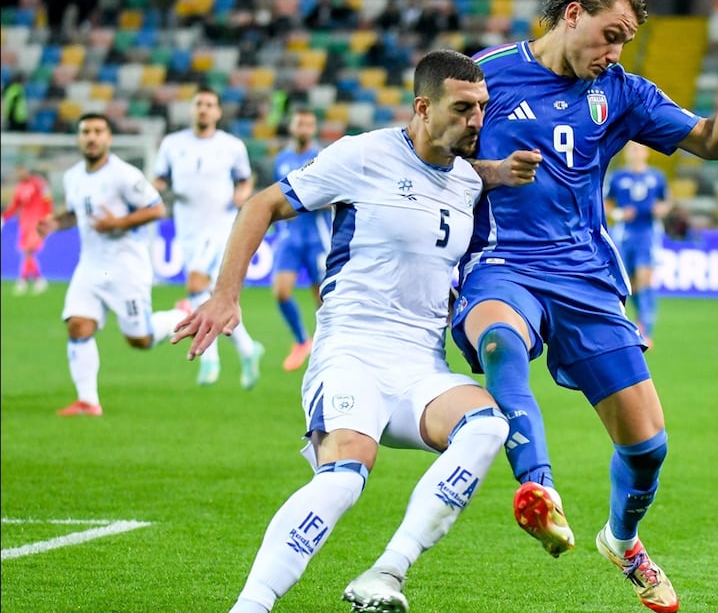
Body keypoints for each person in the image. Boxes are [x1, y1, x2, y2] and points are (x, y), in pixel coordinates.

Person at [451, 0, 718, 613]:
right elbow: (428, 153)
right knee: (500, 343)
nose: (615, 53)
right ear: (572, 15)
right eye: (610, 36)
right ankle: (537, 490)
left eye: (626, 41)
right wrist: (488, 174)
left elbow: (710, 143)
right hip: (502, 263)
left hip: (585, 276)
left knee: (648, 447)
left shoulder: (622, 92)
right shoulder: (484, 79)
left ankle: (623, 541)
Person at [171, 48, 536, 613]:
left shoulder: (466, 179)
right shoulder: (362, 156)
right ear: (422, 107)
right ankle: (251, 605)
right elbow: (262, 205)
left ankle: (387, 572)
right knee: (344, 478)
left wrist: (500, 171)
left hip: (420, 366)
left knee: (487, 427)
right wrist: (225, 295)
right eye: (463, 108)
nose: (477, 121)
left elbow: (462, 175)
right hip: (351, 353)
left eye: (482, 108)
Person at [36, 113, 189, 416]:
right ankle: (88, 402)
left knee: (139, 339)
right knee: (78, 324)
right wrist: (56, 222)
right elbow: (77, 214)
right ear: (79, 138)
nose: (91, 137)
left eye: (97, 131)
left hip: (125, 267)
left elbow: (157, 208)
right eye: (85, 132)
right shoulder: (73, 176)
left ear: (107, 138)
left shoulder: (125, 175)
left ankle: (180, 315)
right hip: (91, 265)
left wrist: (118, 222)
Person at [153, 86, 265, 389]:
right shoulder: (172, 144)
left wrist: (241, 196)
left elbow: (244, 179)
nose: (203, 109)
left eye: (209, 105)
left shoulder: (231, 146)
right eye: (199, 104)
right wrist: (152, 191)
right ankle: (247, 348)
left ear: (217, 112)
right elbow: (160, 178)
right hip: (187, 226)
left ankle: (209, 358)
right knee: (213, 296)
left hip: (221, 226)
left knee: (195, 285)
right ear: (192, 109)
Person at [269, 109, 327, 372]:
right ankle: (302, 341)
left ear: (313, 128)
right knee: (281, 291)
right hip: (291, 236)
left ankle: (328, 347)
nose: (303, 127)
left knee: (323, 300)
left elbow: (332, 196)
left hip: (317, 236)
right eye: (299, 122)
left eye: (308, 123)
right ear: (292, 127)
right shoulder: (282, 159)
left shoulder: (323, 158)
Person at [604, 141, 669, 346]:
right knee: (628, 283)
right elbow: (604, 203)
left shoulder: (656, 176)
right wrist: (619, 213)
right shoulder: (618, 177)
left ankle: (646, 330)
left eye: (639, 149)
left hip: (647, 234)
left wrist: (661, 209)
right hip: (624, 234)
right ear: (626, 153)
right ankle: (630, 324)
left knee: (645, 280)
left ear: (646, 153)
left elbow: (666, 201)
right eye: (632, 149)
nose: (636, 153)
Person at [2, 163, 53, 295]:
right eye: (18, 172)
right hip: (25, 223)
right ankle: (37, 280)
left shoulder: (38, 183)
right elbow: (14, 206)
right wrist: (4, 217)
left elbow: (47, 199)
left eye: (22, 170)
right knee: (27, 252)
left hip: (37, 222)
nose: (20, 174)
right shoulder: (19, 188)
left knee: (28, 251)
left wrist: (48, 215)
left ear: (26, 170)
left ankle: (24, 281)